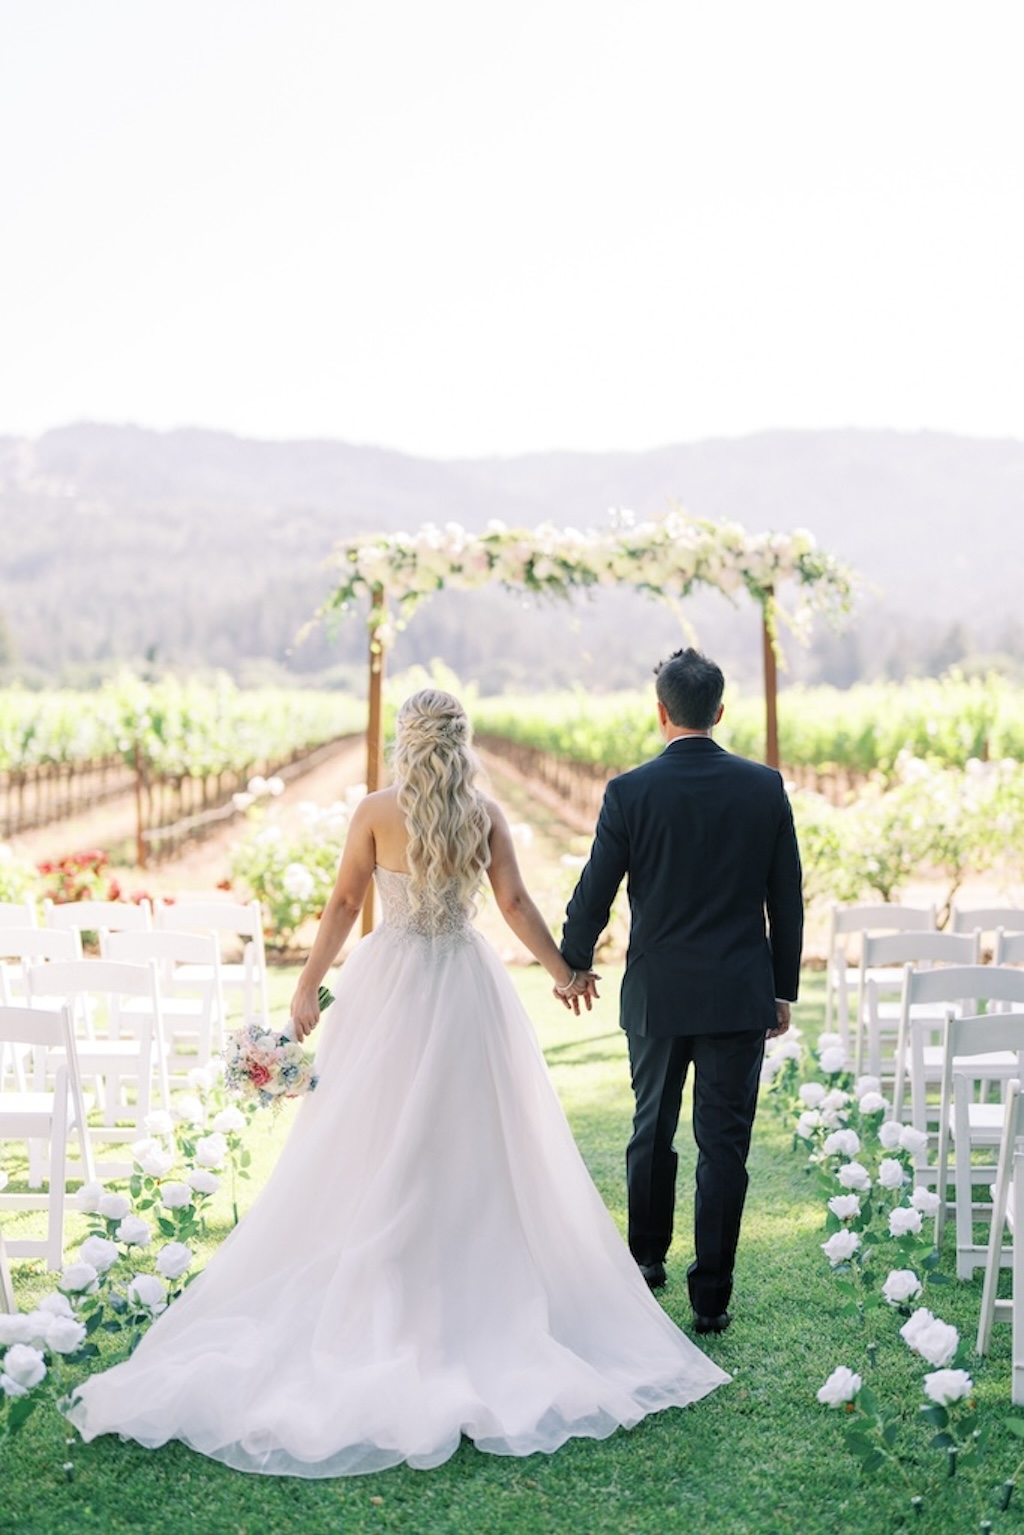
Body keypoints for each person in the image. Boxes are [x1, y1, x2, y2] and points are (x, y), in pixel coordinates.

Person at [66, 688, 727, 1477]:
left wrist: (307, 983)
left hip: (390, 983)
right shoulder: (482, 811)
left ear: (407, 742)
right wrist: (562, 970)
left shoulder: (377, 810)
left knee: (371, 1135)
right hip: (463, 982)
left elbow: (347, 900)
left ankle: (385, 1267)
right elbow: (512, 903)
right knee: (469, 1140)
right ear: (462, 740)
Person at [560, 649, 803, 1334]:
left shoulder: (630, 791)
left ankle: (644, 1260)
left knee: (651, 1128)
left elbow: (594, 893)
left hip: (659, 995)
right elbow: (787, 897)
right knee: (724, 1144)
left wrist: (572, 962)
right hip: (737, 993)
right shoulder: (764, 787)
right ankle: (713, 1295)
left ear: (661, 711)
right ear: (719, 711)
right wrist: (780, 988)